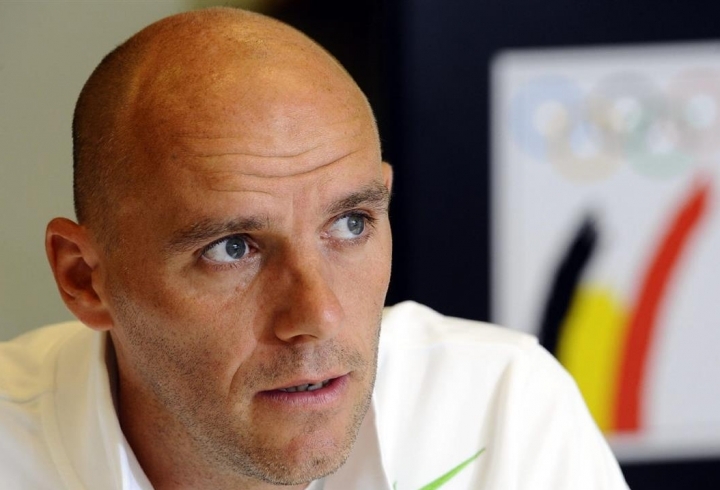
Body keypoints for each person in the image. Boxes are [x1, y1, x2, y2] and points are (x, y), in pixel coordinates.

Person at [0, 7, 628, 490]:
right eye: (233, 248)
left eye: (351, 224)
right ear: (84, 278)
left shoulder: (502, 412)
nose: (317, 314)